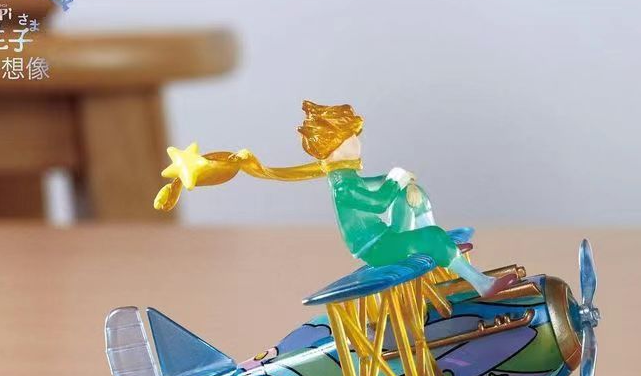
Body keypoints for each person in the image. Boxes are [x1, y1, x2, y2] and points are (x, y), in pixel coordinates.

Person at [154, 100, 518, 298]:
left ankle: (443, 257)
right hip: (376, 247)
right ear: (335, 145)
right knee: (433, 235)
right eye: (351, 138)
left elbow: (376, 188)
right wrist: (394, 180)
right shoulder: (342, 184)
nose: (358, 143)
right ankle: (480, 283)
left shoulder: (345, 176)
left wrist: (398, 183)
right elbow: (377, 203)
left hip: (385, 236)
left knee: (415, 194)